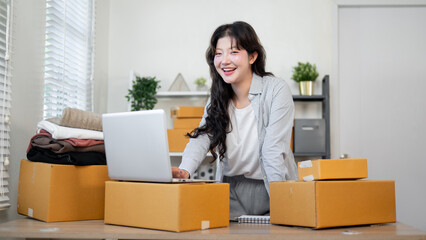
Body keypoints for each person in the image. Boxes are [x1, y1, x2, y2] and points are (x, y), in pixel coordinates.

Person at [172, 21, 297, 217]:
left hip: (270, 185)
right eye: (218, 53)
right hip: (230, 191)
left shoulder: (276, 90)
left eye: (234, 52)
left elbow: (273, 149)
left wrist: (282, 203)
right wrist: (184, 171)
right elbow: (203, 137)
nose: (224, 60)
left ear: (252, 56)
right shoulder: (219, 97)